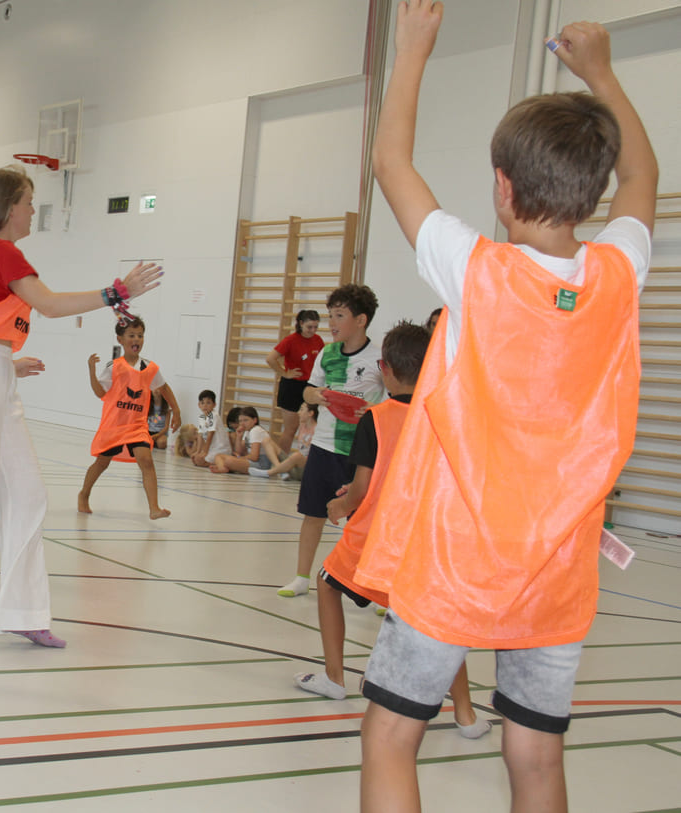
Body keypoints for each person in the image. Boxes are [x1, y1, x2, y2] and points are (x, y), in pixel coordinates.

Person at [355, 6, 656, 812]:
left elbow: (390, 162)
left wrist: (411, 47)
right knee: (536, 755)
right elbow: (644, 179)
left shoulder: (478, 271)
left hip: (455, 563)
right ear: (592, 196)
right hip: (558, 567)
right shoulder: (618, 275)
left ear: (501, 185)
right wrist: (602, 75)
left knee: (390, 734)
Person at [0, 165, 162, 647]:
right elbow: (47, 303)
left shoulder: (0, 253)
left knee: (27, 494)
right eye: (27, 201)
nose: (31, 210)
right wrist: (117, 292)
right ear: (8, 208)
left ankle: (23, 610)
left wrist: (6, 363)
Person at [293, 322, 490, 738]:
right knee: (440, 624)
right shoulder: (445, 416)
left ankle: (333, 677)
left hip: (376, 539)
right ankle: (467, 715)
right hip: (426, 541)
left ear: (384, 369)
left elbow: (364, 489)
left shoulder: (377, 419)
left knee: (327, 585)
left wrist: (339, 504)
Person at [279, 284, 384, 597]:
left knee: (366, 521)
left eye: (339, 315)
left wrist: (375, 409)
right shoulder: (327, 352)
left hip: (362, 452)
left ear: (361, 319)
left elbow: (394, 399)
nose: (332, 323)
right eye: (330, 315)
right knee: (313, 514)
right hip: (324, 447)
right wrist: (319, 395)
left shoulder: (380, 356)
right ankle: (301, 578)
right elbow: (309, 391)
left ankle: (374, 587)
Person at [79, 317, 181, 519]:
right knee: (102, 463)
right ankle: (84, 494)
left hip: (137, 425)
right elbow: (100, 393)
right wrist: (91, 371)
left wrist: (176, 410)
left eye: (140, 335)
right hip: (114, 426)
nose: (137, 339)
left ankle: (154, 508)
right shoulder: (114, 366)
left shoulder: (150, 368)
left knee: (146, 460)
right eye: (132, 335)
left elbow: (164, 387)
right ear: (121, 339)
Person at [267, 309, 324, 454]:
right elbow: (271, 358)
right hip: (292, 387)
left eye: (315, 327)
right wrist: (285, 373)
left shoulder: (318, 340)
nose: (313, 330)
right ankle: (281, 463)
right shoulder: (291, 340)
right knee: (291, 429)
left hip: (310, 386)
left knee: (311, 426)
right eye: (309, 327)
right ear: (301, 324)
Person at [209, 406, 279, 476]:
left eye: (245, 420)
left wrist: (239, 458)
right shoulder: (247, 431)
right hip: (253, 461)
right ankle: (223, 468)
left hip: (261, 464)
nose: (242, 423)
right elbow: (239, 451)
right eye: (240, 421)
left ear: (255, 420)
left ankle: (224, 467)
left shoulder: (256, 430)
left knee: (228, 461)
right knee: (218, 456)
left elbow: (254, 457)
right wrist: (239, 437)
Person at [263, 401, 317, 481]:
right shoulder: (302, 425)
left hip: (307, 469)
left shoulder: (317, 430)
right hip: (296, 465)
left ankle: (269, 472)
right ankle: (280, 470)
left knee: (296, 455)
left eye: (302, 410)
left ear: (310, 413)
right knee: (266, 440)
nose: (298, 413)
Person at [189, 389, 233, 468]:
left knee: (199, 460)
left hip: (221, 450)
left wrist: (205, 452)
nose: (205, 405)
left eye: (208, 403)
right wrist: (198, 451)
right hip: (213, 449)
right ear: (199, 405)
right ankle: (217, 462)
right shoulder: (202, 417)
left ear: (214, 405)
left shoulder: (214, 416)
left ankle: (222, 463)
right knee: (195, 459)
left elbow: (210, 436)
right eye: (202, 403)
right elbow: (200, 435)